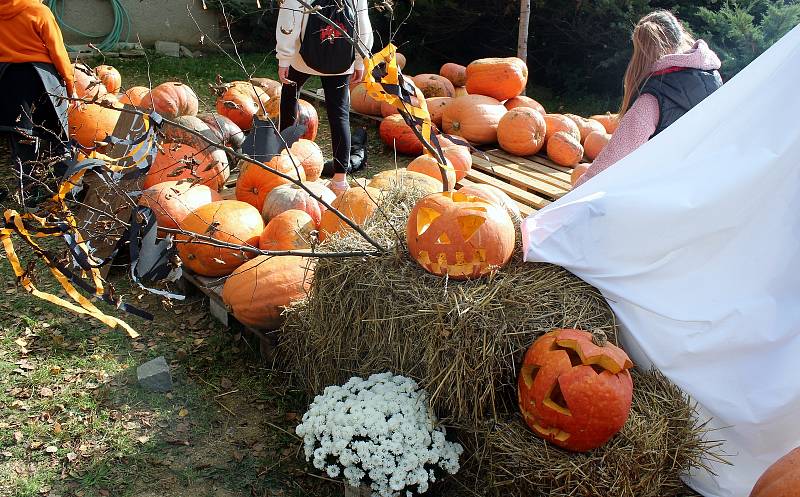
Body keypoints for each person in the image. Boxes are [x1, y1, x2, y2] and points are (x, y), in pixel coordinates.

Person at [574, 10, 722, 187]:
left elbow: (613, 159)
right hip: (707, 190)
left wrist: (576, 192)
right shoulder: (714, 79)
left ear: (642, 52)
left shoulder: (654, 97)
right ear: (681, 36)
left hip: (657, 199)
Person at [276, 0, 373, 196]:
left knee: (289, 99)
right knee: (339, 115)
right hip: (341, 61)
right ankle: (339, 181)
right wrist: (360, 60)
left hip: (302, 59)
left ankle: (283, 164)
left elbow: (289, 18)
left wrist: (284, 57)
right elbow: (362, 22)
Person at [0, 0, 77, 199]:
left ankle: (28, 194)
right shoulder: (38, 11)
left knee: (21, 139)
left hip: (6, 80)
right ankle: (68, 192)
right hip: (40, 80)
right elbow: (57, 51)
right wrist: (70, 84)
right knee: (58, 137)